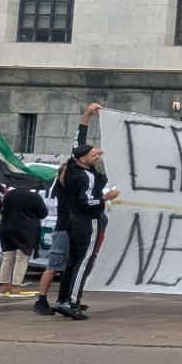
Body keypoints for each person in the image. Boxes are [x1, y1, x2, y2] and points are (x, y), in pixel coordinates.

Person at [53, 104, 118, 319]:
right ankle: (71, 302)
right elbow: (86, 202)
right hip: (87, 220)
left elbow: (78, 141)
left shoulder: (73, 165)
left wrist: (87, 116)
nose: (96, 155)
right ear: (83, 159)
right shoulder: (85, 176)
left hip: (74, 220)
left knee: (73, 261)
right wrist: (105, 198)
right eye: (92, 154)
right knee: (83, 261)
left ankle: (63, 299)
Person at [0, 180, 50, 297]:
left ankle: (5, 286)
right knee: (22, 257)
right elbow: (43, 213)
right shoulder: (34, 196)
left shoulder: (8, 195)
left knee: (7, 257)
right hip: (26, 230)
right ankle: (16, 286)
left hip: (6, 228)